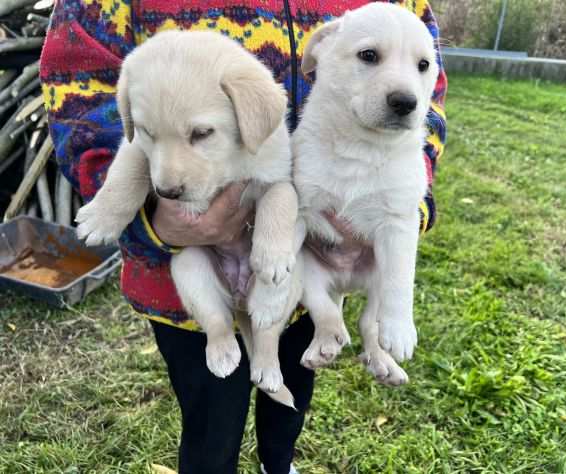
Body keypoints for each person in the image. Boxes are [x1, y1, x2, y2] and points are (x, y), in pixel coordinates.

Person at [40, 1, 447, 473]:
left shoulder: (400, 23)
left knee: (289, 400)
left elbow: (427, 91)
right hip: (187, 273)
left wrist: (404, 202)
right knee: (211, 423)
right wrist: (145, 210)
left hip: (295, 263)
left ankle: (279, 462)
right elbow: (81, 92)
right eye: (371, 57)